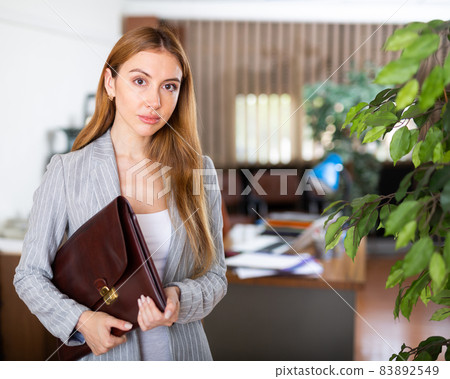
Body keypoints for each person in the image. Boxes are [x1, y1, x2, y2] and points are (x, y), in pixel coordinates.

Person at [14, 26, 227, 361]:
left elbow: (215, 276)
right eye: (140, 81)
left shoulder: (199, 171)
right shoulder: (68, 171)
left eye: (168, 86)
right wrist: (83, 321)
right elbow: (29, 275)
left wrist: (177, 298)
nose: (154, 101)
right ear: (110, 83)